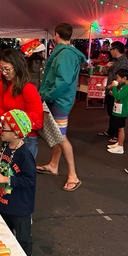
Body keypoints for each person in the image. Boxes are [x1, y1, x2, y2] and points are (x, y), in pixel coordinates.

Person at [37, 23, 86, 191]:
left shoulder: (65, 54)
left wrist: (46, 95)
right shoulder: (66, 53)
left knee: (60, 136)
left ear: (56, 34)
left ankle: (73, 176)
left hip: (59, 101)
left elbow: (62, 81)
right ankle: (54, 165)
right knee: (57, 134)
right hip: (58, 99)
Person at [0, 109, 36, 256]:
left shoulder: (24, 154)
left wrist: (5, 179)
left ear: (15, 133)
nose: (0, 130)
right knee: (6, 233)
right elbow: (5, 166)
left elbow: (29, 180)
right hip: (4, 201)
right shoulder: (6, 145)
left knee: (23, 239)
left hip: (20, 207)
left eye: (3, 128)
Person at [0, 49, 43, 158]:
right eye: (1, 69)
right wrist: (1, 121)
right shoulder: (3, 86)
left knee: (20, 174)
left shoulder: (28, 89)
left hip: (26, 139)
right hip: (10, 137)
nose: (3, 73)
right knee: (6, 171)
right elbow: (2, 110)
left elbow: (37, 122)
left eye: (7, 69)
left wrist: (7, 122)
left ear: (17, 67)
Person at [96, 41, 128, 143]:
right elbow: (106, 73)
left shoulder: (124, 62)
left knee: (116, 114)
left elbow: (120, 80)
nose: (109, 51)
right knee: (111, 112)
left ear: (116, 50)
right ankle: (111, 131)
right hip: (112, 90)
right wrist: (106, 67)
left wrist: (106, 88)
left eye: (110, 49)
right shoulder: (114, 60)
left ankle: (116, 135)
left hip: (118, 91)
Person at [107, 69, 128, 155]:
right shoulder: (124, 86)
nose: (117, 80)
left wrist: (114, 87)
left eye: (118, 78)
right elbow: (119, 96)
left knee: (121, 129)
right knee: (118, 128)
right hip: (118, 109)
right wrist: (113, 93)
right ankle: (118, 143)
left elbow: (118, 96)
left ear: (124, 78)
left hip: (121, 111)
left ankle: (120, 146)